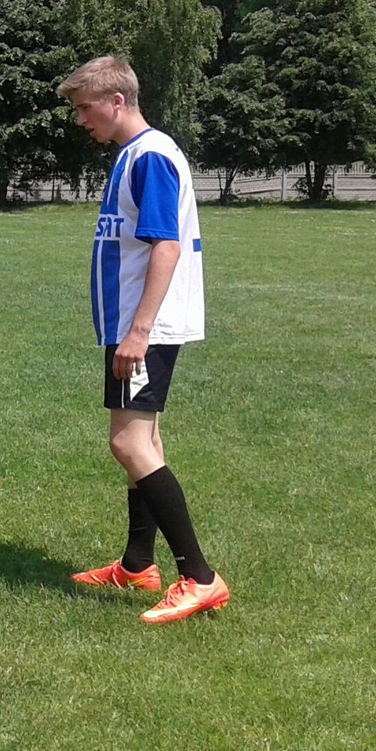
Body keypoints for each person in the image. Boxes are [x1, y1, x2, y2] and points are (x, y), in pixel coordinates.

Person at [57, 56, 229, 625]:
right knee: (145, 442)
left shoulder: (150, 155)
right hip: (135, 325)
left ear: (117, 101)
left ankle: (199, 577)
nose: (80, 119)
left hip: (144, 328)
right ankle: (137, 565)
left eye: (85, 107)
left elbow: (166, 246)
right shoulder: (134, 154)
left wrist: (138, 330)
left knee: (128, 445)